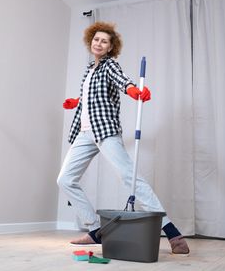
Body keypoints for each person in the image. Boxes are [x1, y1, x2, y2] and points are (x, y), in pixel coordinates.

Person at [57, 21, 189, 254]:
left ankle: (172, 232)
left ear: (110, 47)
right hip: (84, 133)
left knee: (130, 177)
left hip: (105, 130)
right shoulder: (89, 70)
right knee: (65, 179)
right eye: (96, 39)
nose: (99, 43)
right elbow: (92, 97)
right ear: (91, 41)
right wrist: (77, 102)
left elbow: (122, 81)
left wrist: (133, 91)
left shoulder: (110, 65)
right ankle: (96, 229)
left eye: (104, 41)